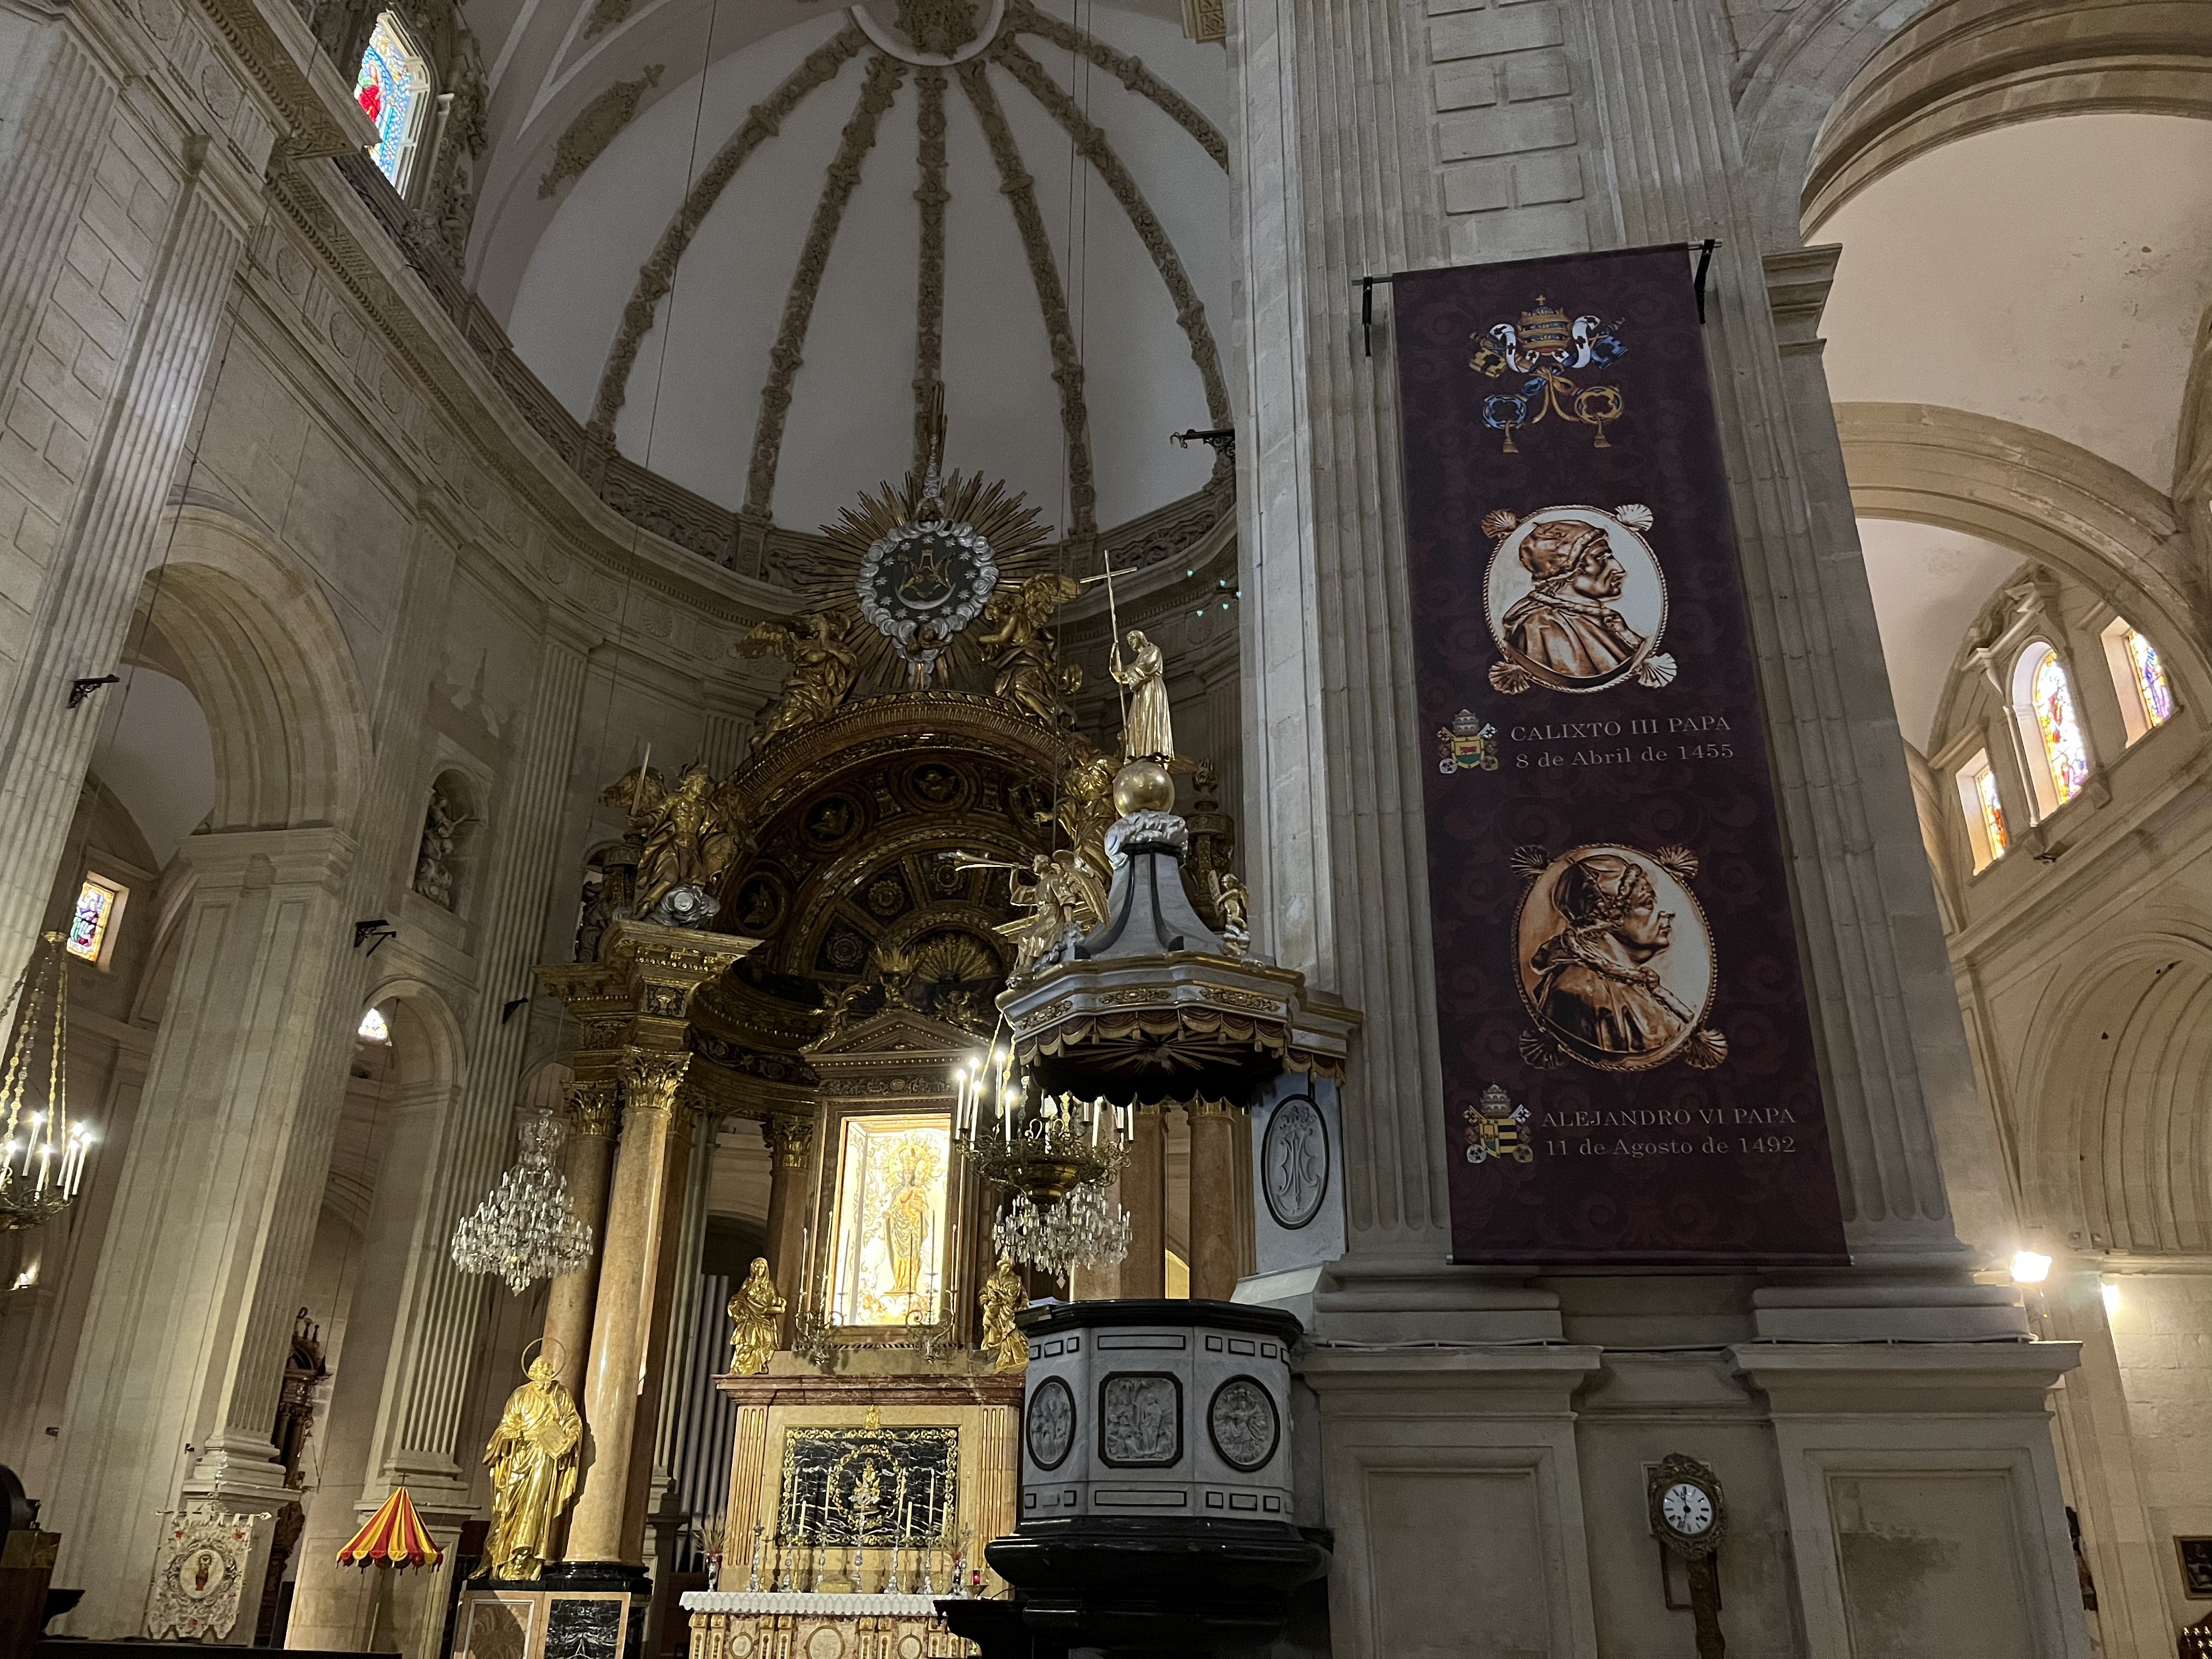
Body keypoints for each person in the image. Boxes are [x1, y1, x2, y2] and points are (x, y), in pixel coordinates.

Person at [1528, 851, 1695, 1064]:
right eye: (1647, 903)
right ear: (1607, 918)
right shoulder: (1575, 992)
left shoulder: (1639, 982)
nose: (1667, 913)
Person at [1499, 519, 1645, 681]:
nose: (1620, 570)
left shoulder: (1602, 618)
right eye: (1601, 558)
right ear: (1567, 570)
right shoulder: (1540, 627)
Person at [482, 1354, 583, 1580]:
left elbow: (572, 1421)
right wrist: (509, 1434)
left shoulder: (560, 1394)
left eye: (548, 1371)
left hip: (544, 1456)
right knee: (508, 1508)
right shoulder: (520, 1394)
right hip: (519, 1455)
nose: (544, 1375)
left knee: (535, 1506)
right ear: (532, 1373)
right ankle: (504, 1558)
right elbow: (507, 1424)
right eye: (540, 1370)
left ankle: (525, 1556)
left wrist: (569, 1439)